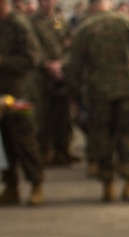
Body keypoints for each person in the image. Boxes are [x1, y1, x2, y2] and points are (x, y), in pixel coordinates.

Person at [64, 0, 129, 202]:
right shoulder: (126, 23)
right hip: (128, 90)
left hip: (98, 94)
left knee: (101, 137)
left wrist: (74, 95)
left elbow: (74, 67)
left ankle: (108, 185)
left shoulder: (84, 29)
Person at [0, 0, 45, 207]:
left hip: (20, 94)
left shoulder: (18, 24)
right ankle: (11, 186)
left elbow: (32, 58)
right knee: (5, 142)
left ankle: (36, 184)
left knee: (25, 141)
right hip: (1, 97)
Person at [30, 0, 77, 166]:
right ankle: (44, 151)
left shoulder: (60, 23)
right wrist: (47, 64)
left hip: (61, 74)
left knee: (63, 114)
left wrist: (61, 63)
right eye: (43, 1)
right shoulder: (31, 23)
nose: (47, 4)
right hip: (40, 76)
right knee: (42, 115)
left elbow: (70, 48)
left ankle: (62, 150)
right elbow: (31, 49)